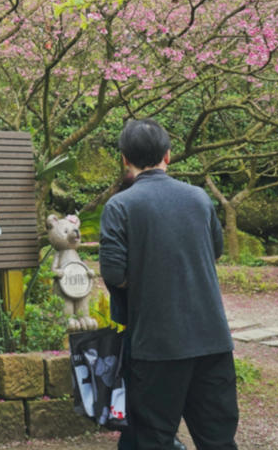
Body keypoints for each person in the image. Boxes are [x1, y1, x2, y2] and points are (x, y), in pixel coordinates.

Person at [100, 118, 237, 450]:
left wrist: (148, 273)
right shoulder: (200, 198)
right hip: (212, 340)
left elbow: (114, 274)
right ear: (168, 156)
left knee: (154, 438)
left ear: (124, 159)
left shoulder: (120, 206)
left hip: (156, 345)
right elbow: (213, 250)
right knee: (217, 439)